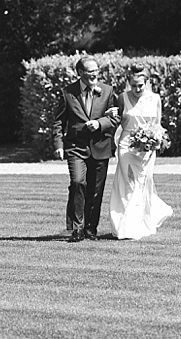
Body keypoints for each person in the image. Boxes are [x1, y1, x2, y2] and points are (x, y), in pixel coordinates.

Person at [51, 57, 121, 243]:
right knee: (78, 182)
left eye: (96, 70)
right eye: (90, 71)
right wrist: (59, 146)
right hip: (76, 147)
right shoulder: (67, 93)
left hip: (100, 146)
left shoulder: (107, 91)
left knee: (96, 190)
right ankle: (77, 229)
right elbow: (59, 121)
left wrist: (99, 123)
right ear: (80, 72)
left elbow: (115, 118)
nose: (94, 74)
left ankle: (91, 229)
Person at [109, 64, 173, 239]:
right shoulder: (122, 97)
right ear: (129, 82)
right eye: (134, 85)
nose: (137, 89)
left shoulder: (155, 99)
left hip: (147, 149)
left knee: (143, 184)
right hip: (127, 146)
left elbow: (158, 125)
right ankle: (124, 226)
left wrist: (155, 139)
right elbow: (117, 121)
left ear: (147, 83)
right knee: (128, 184)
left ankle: (140, 224)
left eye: (141, 85)